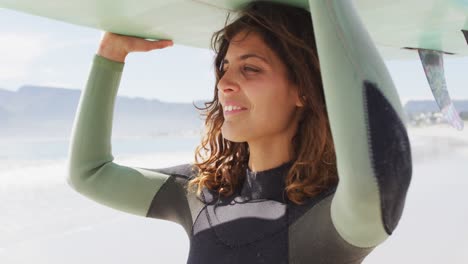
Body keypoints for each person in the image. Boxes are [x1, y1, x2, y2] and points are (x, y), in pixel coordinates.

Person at [67, 1, 412, 263]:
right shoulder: (201, 192)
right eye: (224, 67)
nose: (225, 84)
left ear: (303, 90)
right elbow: (89, 174)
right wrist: (110, 55)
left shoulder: (323, 220)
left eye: (250, 68)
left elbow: (376, 188)